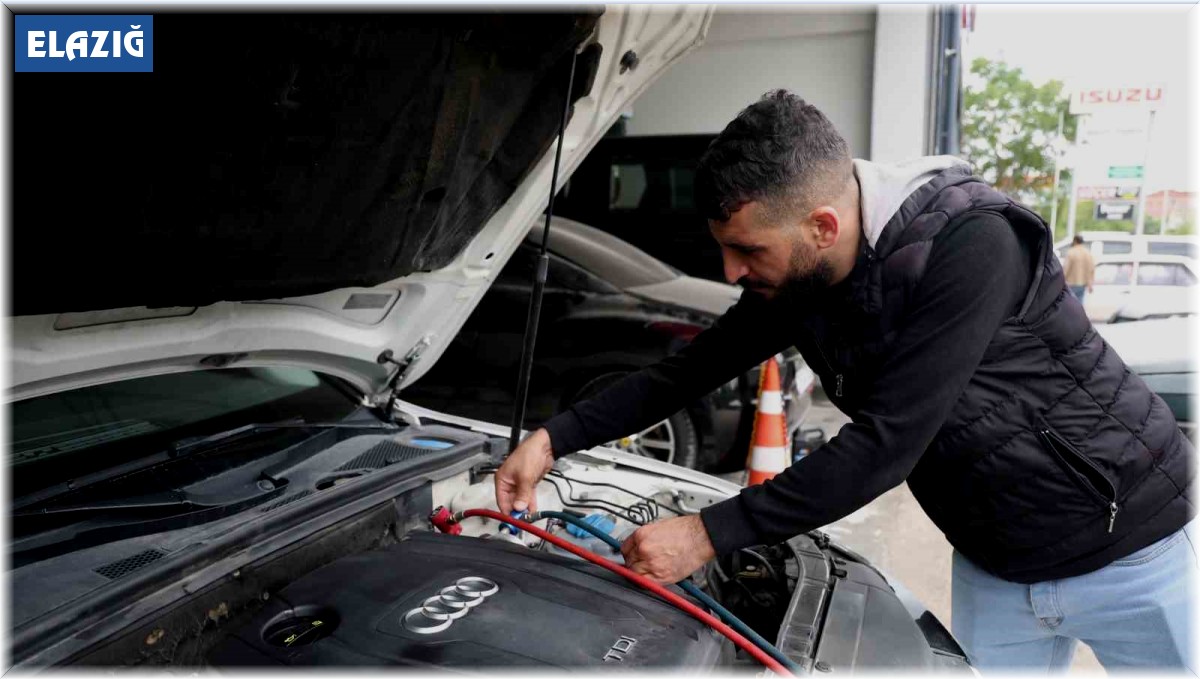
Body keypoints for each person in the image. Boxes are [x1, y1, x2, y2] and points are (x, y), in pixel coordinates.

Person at [494, 90, 1195, 672]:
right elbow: (685, 372)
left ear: (822, 224)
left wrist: (709, 533)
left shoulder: (973, 243)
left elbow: (887, 442)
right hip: (995, 567)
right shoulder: (798, 278)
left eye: (746, 250)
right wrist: (554, 438)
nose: (731, 271)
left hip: (1131, 547)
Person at [1063, 234, 1095, 302]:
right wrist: (1090, 284)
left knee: (1070, 303)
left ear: (1075, 241)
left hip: (1070, 283)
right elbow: (1091, 269)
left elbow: (1066, 268)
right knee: (1080, 302)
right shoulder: (1087, 252)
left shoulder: (1071, 252)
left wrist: (1061, 281)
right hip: (1082, 283)